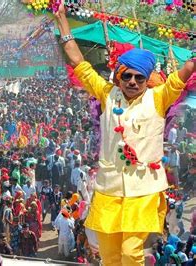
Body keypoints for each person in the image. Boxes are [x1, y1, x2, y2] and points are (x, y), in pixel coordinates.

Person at [55, 2, 194, 264]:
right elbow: (78, 62)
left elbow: (185, 72)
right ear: (119, 75)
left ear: (147, 79)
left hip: (144, 191)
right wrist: (62, 22)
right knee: (109, 257)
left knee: (131, 253)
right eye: (127, 76)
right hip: (109, 190)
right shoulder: (108, 95)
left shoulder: (159, 97)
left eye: (139, 78)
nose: (132, 82)